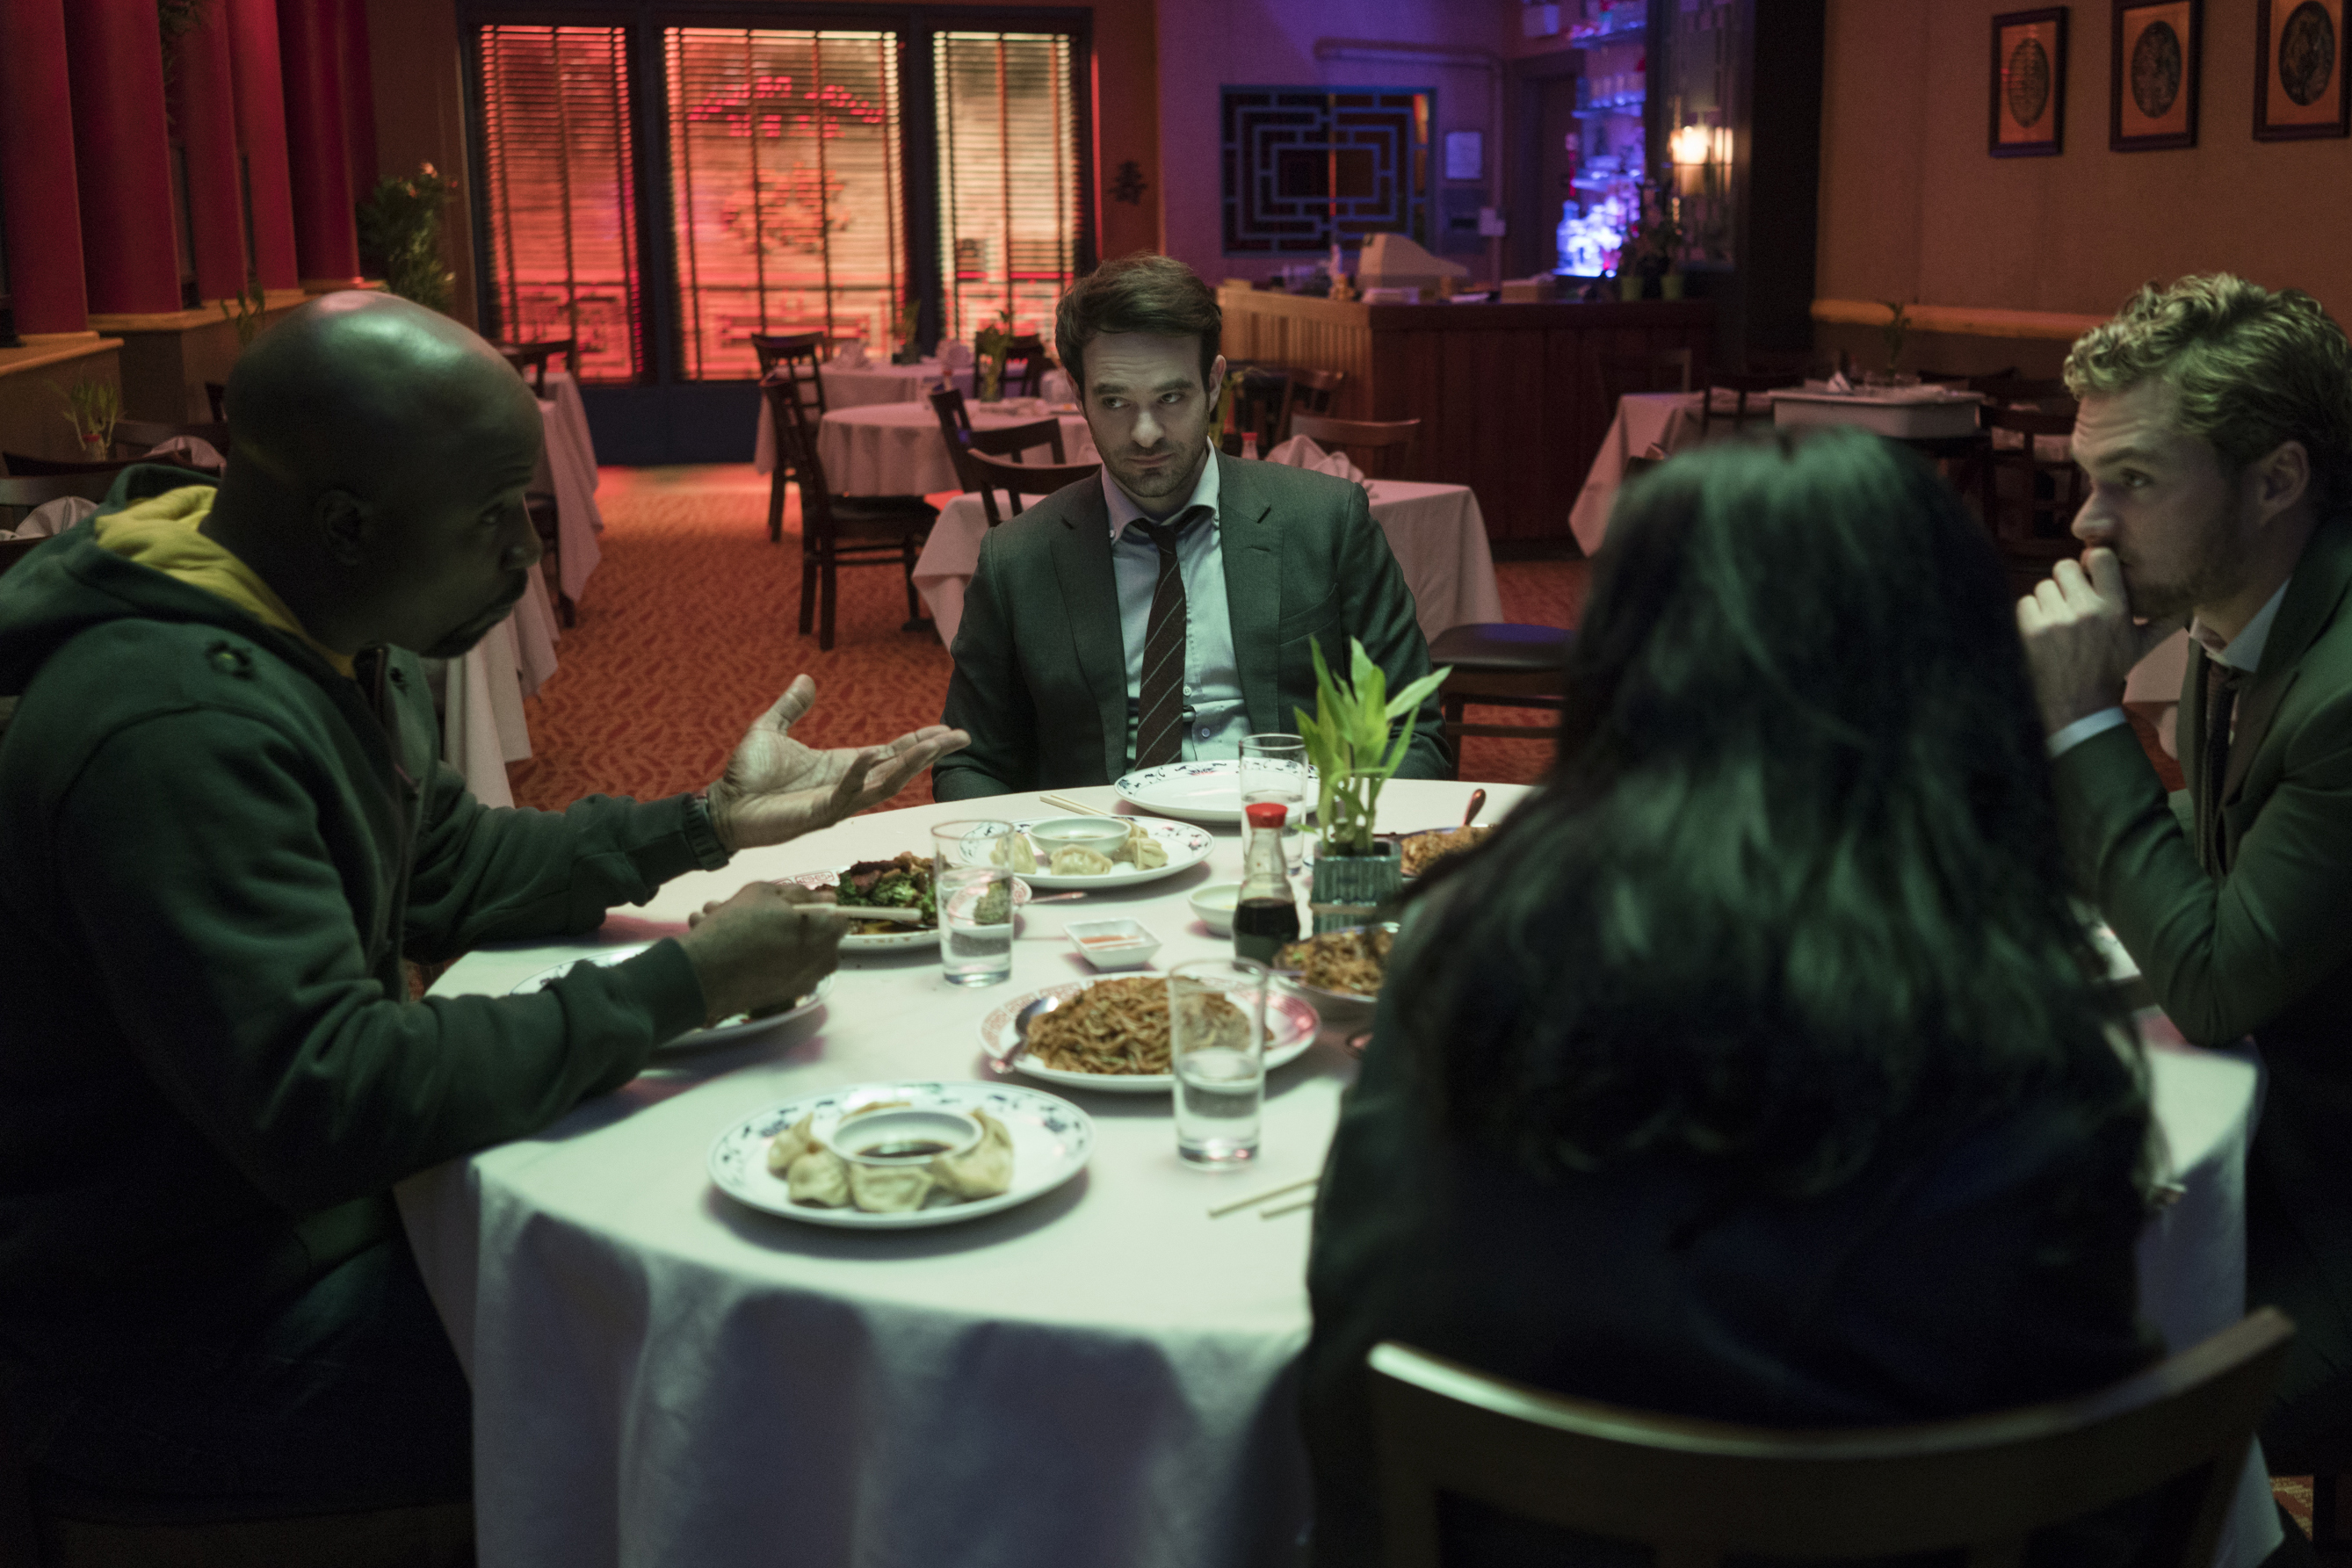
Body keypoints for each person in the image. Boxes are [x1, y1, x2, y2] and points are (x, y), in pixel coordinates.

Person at [0, 293, 966, 1523]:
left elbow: (449, 867)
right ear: (346, 525)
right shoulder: (173, 730)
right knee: (731, 1358)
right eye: (492, 516)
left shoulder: (300, 613)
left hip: (301, 1229)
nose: (525, 552)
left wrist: (708, 822)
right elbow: (330, 1097)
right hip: (180, 1329)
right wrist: (688, 982)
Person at [1304, 430, 2163, 1567]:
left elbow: (1352, 1376)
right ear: (1957, 676)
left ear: (1619, 666)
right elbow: (2093, 1492)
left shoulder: (1468, 949)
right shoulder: (2018, 1030)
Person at [2019, 274, 2352, 1479]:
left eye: (2134, 480)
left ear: (2276, 479)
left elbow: (2211, 985)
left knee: (2051, 1423)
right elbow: (2221, 838)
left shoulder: (2343, 694)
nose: (2088, 523)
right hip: (2281, 1135)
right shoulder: (2239, 603)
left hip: (2327, 1213)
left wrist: (2080, 727)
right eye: (2086, 476)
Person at [931, 253, 1444, 798]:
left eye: (1171, 398)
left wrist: (1338, 834)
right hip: (1105, 839)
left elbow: (1413, 734)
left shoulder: (1326, 522)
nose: (1146, 433)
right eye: (1115, 401)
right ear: (1078, 396)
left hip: (1289, 828)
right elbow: (970, 762)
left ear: (1214, 383)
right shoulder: (1018, 559)